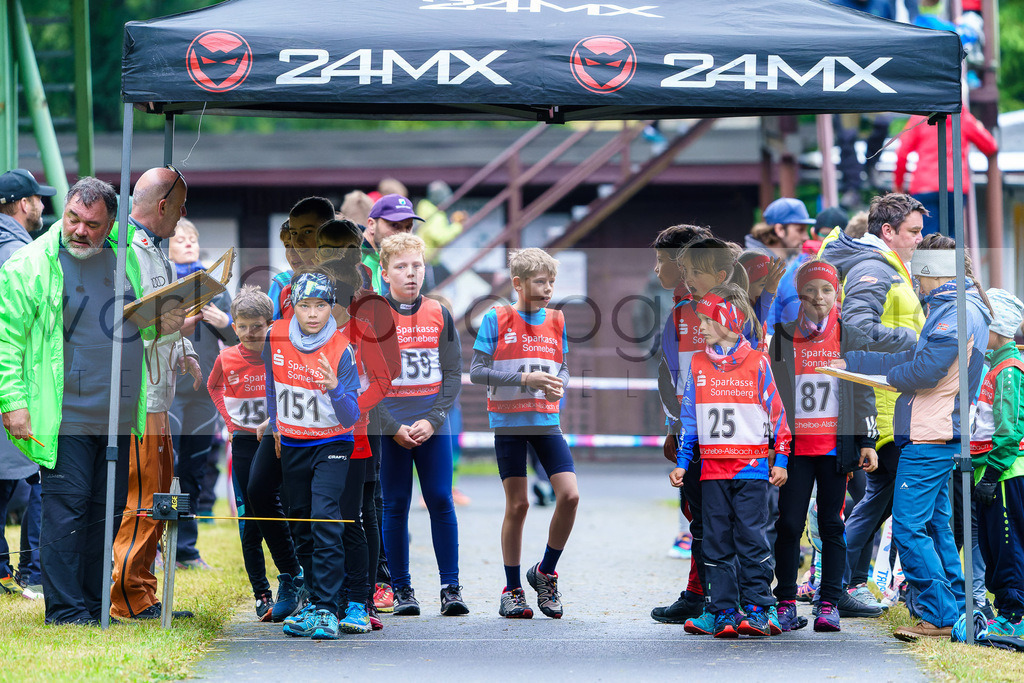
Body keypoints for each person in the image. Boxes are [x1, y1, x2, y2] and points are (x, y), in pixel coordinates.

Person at [0, 177, 149, 625]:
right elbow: (6, 340)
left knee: (107, 511)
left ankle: (92, 603)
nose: (80, 230)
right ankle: (66, 612)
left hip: (117, 411)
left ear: (110, 225)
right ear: (62, 212)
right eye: (73, 219)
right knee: (67, 509)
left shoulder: (127, 259)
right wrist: (12, 401)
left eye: (92, 223)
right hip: (62, 414)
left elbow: (140, 322)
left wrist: (168, 321)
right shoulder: (27, 265)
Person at [837, 234, 992, 641]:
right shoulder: (958, 307)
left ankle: (938, 617)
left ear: (932, 273)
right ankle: (956, 608)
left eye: (919, 274)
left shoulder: (951, 312)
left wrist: (882, 376)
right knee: (937, 526)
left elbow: (924, 371)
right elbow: (918, 359)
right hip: (941, 432)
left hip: (932, 434)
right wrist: (854, 360)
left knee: (908, 527)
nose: (915, 283)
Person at [819, 193, 925, 615]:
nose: (919, 240)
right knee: (893, 501)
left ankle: (842, 584)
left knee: (881, 501)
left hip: (895, 396)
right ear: (888, 232)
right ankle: (842, 584)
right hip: (886, 401)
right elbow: (858, 327)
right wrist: (917, 343)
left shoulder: (888, 265)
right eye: (913, 232)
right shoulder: (872, 266)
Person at [671, 284, 791, 638]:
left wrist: (781, 458)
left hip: (751, 469)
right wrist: (682, 460)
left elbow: (779, 416)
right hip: (711, 471)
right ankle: (722, 609)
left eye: (707, 320)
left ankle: (757, 607)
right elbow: (689, 419)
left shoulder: (758, 362)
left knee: (753, 538)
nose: (702, 327)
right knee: (716, 540)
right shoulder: (697, 362)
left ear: (729, 320)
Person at [110, 166, 203, 621]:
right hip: (140, 397)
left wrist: (184, 347)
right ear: (163, 205)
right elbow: (118, 323)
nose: (184, 215)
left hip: (160, 391)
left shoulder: (155, 251)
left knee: (158, 493)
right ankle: (129, 596)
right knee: (143, 496)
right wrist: (165, 326)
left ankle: (142, 588)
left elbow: (162, 312)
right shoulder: (124, 248)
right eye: (181, 206)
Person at [768, 259, 879, 633]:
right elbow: (773, 396)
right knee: (789, 524)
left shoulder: (850, 335)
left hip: (836, 448)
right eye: (811, 290)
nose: (819, 298)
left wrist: (867, 441)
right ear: (799, 294)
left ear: (838, 293)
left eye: (827, 290)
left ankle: (829, 601)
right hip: (794, 450)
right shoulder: (782, 337)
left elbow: (863, 392)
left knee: (832, 524)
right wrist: (772, 446)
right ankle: (784, 601)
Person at [470, 248, 580, 619]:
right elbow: (477, 371)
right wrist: (525, 379)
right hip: (509, 425)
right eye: (540, 281)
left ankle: (545, 572)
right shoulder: (496, 318)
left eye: (551, 281)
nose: (548, 288)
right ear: (518, 284)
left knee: (570, 496)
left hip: (547, 423)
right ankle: (512, 588)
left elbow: (563, 367)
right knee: (518, 505)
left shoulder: (558, 320)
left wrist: (558, 385)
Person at [268, 271, 365, 640]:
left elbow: (352, 415)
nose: (312, 313)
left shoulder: (342, 349)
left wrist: (335, 388)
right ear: (293, 305)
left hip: (332, 444)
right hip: (293, 443)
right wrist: (275, 422)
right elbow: (270, 381)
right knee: (300, 524)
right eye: (305, 305)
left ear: (331, 308)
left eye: (320, 305)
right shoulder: (275, 335)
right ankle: (315, 600)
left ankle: (326, 609)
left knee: (325, 517)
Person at [376, 233, 467, 617]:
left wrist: (434, 420)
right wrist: (393, 425)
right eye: (401, 267)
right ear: (385, 272)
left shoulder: (439, 313)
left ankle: (451, 587)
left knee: (440, 499)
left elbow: (452, 372)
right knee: (394, 504)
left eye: (416, 266)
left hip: (433, 426)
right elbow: (364, 380)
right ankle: (402, 590)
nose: (410, 273)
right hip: (390, 427)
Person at [207, 285, 300, 620]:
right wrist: (230, 420)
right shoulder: (226, 358)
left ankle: (292, 580)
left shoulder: (279, 355)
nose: (248, 333)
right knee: (249, 522)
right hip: (245, 444)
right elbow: (212, 386)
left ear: (269, 324)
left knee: (284, 512)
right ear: (233, 327)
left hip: (277, 443)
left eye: (256, 326)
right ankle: (261, 592)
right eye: (242, 326)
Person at [647, 223, 713, 625]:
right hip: (689, 428)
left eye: (660, 261)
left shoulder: (713, 307)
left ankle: (717, 595)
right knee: (695, 512)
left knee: (710, 514)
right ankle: (697, 592)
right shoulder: (679, 309)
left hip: (717, 428)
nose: (656, 269)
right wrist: (673, 427)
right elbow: (674, 375)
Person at [168, 218, 235, 570]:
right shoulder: (161, 285)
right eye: (181, 239)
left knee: (194, 469)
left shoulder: (215, 288)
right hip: (170, 390)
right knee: (168, 469)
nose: (190, 243)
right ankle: (159, 545)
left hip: (204, 391)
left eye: (193, 239)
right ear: (167, 246)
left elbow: (239, 341)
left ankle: (186, 548)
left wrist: (225, 323)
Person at [0, 168, 55, 599]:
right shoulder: (19, 254)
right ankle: (33, 570)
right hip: (16, 379)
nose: (43, 207)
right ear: (23, 204)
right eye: (39, 199)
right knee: (39, 472)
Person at [972, 289, 1024, 637]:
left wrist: (991, 473)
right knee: (993, 546)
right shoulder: (997, 365)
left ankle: (1014, 615)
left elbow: (1009, 428)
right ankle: (1008, 609)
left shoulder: (1008, 369)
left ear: (998, 326)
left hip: (1003, 472)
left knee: (1008, 545)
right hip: (991, 471)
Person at [893, 111, 997, 236]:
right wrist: (979, 127)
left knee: (925, 237)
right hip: (954, 186)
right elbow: (990, 146)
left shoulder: (920, 116)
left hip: (924, 186)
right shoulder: (961, 116)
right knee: (951, 239)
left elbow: (902, 153)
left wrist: (899, 184)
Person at [759, 198, 817, 329]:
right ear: (780, 229)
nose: (805, 237)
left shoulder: (786, 263)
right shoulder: (755, 267)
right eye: (800, 229)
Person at [361, 193, 424, 295]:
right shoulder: (350, 257)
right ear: (372, 225)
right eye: (395, 225)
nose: (403, 234)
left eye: (408, 227)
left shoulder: (387, 258)